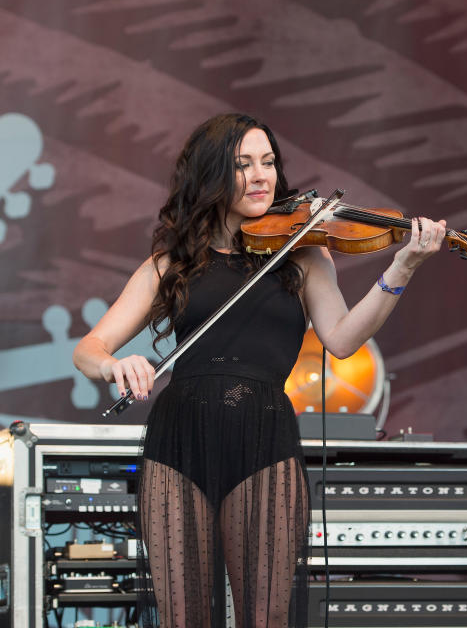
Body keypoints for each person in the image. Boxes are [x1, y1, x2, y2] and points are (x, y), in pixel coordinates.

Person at [72, 112, 446, 628]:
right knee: (182, 618)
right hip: (178, 442)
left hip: (263, 441)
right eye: (243, 164)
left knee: (264, 619)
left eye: (268, 162)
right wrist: (117, 363)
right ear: (211, 176)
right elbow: (89, 348)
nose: (261, 175)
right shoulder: (172, 262)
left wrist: (400, 268)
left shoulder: (304, 254)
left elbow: (342, 339)